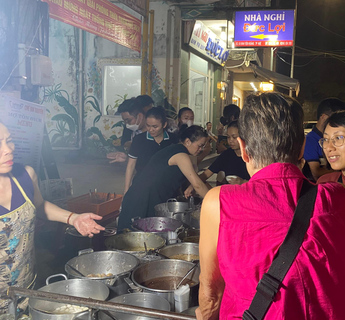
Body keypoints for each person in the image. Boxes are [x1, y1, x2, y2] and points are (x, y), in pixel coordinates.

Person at [196, 93, 345, 319]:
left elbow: (211, 296)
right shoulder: (339, 197)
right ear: (301, 149)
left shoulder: (219, 202)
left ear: (243, 149)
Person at [0, 121, 104, 312]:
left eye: (9, 141)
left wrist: (73, 218)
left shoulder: (25, 176)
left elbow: (38, 206)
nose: (7, 149)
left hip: (27, 287)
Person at [118, 125, 211, 230]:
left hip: (144, 195)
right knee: (134, 237)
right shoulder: (181, 155)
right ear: (188, 142)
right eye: (200, 145)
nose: (201, 149)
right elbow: (198, 184)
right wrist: (214, 202)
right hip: (142, 199)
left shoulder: (176, 150)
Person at [124, 107, 178, 194]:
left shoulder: (173, 139)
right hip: (142, 185)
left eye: (155, 126)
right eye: (148, 125)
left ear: (164, 125)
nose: (151, 129)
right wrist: (126, 190)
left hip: (166, 187)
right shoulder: (139, 140)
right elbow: (131, 165)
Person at [303, 98, 345, 181]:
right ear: (323, 117)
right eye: (335, 119)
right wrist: (343, 169)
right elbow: (315, 173)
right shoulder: (310, 140)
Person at [197, 121, 249, 187]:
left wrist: (242, 182)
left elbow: (262, 183)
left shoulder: (252, 156)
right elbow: (206, 174)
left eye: (234, 137)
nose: (230, 140)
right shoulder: (227, 155)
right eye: (228, 137)